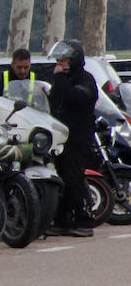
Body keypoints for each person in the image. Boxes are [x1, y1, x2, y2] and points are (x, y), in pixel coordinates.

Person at [46, 39, 98, 238]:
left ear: (74, 59)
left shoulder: (85, 80)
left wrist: (59, 80)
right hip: (59, 136)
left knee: (74, 178)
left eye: (64, 60)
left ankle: (85, 219)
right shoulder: (63, 80)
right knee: (63, 178)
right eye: (59, 60)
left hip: (77, 137)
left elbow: (74, 97)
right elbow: (54, 101)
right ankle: (62, 220)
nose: (60, 64)